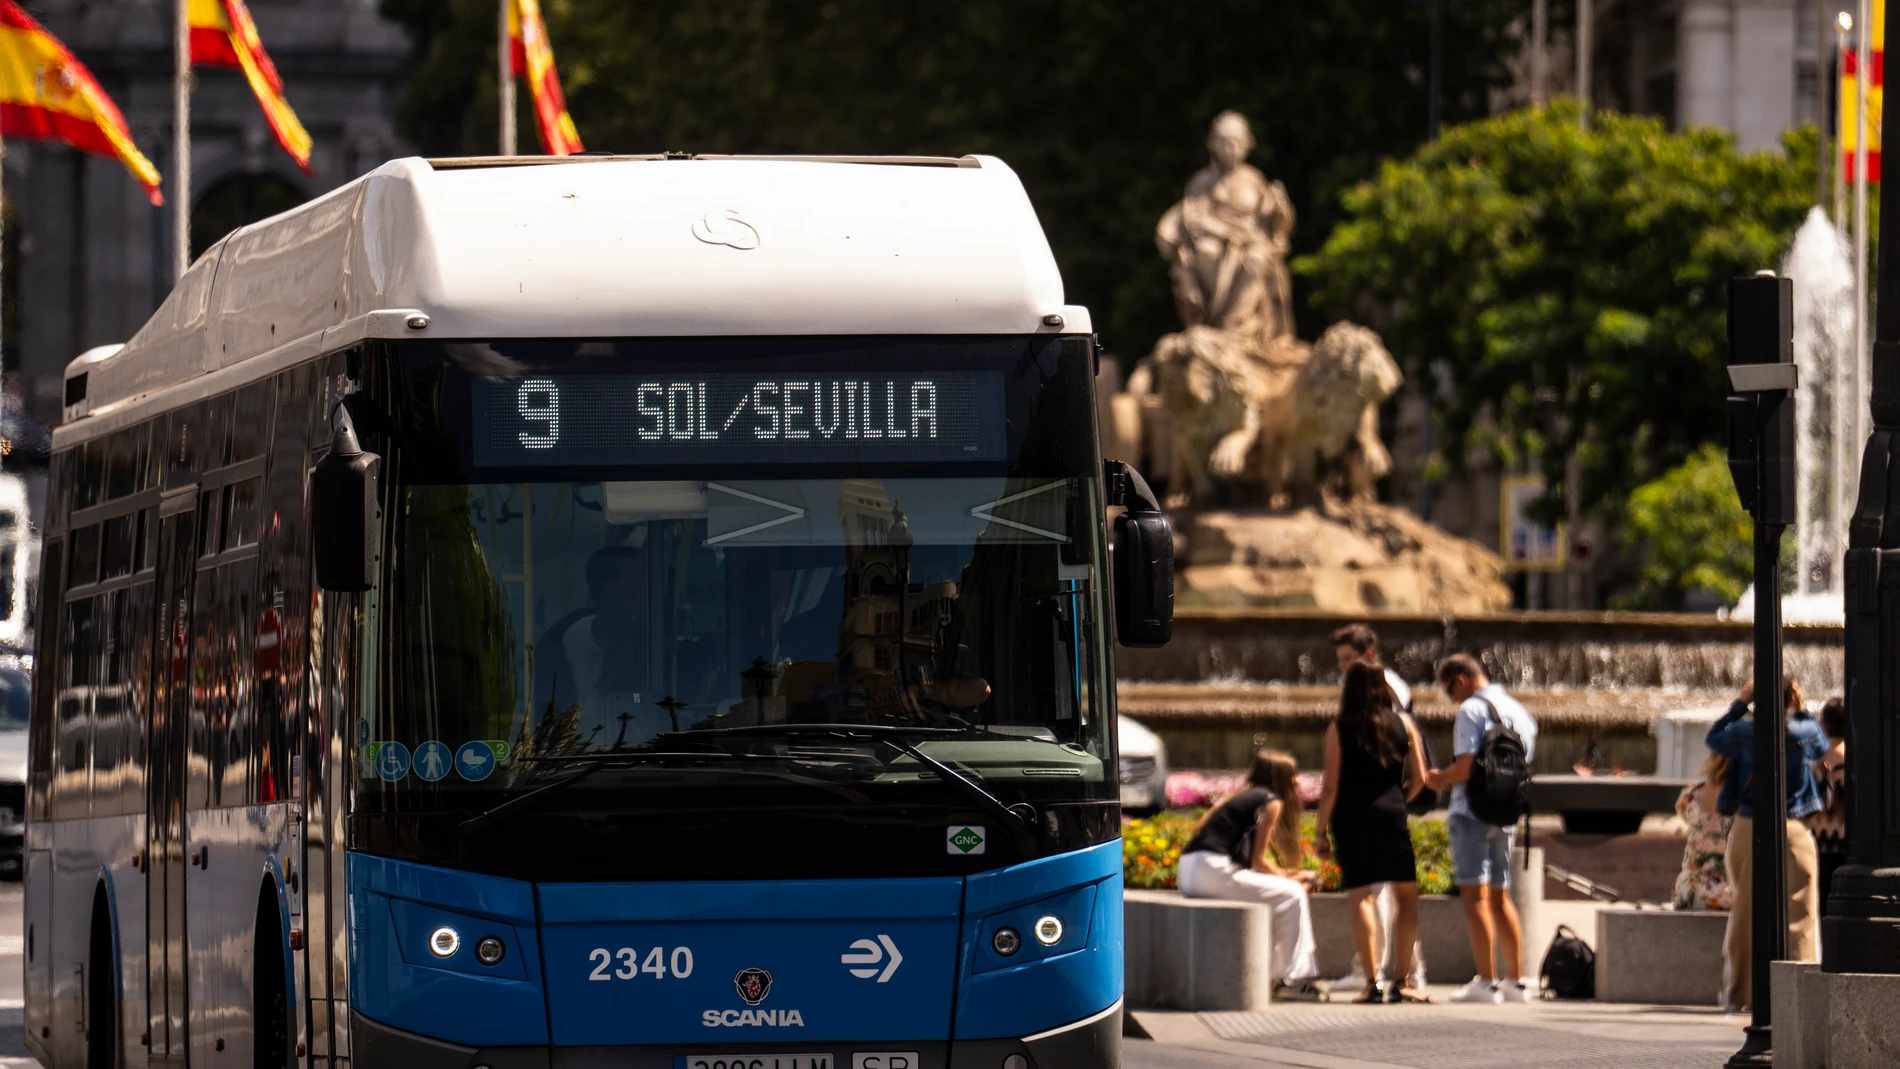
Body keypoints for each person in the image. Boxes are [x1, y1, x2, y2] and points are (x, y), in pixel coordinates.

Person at [1705, 678, 1828, 1013]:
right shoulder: (1801, 732)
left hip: (1749, 825)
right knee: (1800, 912)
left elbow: (1713, 737)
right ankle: (1802, 999)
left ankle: (1742, 996)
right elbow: (1821, 747)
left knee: (1745, 911)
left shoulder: (1742, 732)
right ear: (1792, 698)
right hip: (1793, 828)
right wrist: (1801, 708)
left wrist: (1741, 702)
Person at [1423, 653, 1539, 1004]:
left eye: (1448, 691)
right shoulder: (1520, 711)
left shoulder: (1471, 710)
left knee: (1476, 898)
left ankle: (1486, 982)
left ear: (1460, 680)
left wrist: (1436, 779)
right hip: (1506, 813)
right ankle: (1515, 982)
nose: (1451, 700)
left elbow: (1465, 767)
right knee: (1502, 897)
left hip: (1470, 811)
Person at [1315, 662, 1433, 1003]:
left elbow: (1331, 787)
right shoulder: (1405, 723)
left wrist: (1321, 831)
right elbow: (1421, 779)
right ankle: (1403, 981)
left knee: (1362, 896)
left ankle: (1372, 982)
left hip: (1352, 819)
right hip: (1393, 817)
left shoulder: (1339, 728)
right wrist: (1398, 800)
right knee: (1407, 898)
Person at [1178, 749, 1326, 1001]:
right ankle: (1291, 979)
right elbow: (1259, 862)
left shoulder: (1244, 796)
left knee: (1282, 896)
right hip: (1213, 870)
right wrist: (1293, 879)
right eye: (1293, 774)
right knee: (1292, 894)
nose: (1297, 781)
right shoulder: (1271, 801)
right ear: (1281, 777)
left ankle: (1275, 977)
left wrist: (1289, 875)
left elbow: (1251, 866)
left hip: (1192, 871)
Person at [536, 545, 651, 745]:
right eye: (634, 579)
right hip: (586, 747)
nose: (644, 586)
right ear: (608, 586)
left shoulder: (641, 629)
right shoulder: (580, 631)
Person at [1671, 752, 1734, 911]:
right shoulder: (1743, 801)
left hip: (1688, 887)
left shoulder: (1691, 795)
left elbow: (1688, 817)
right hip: (1725, 892)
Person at [1811, 698, 1848, 910]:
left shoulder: (1812, 763)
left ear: (1823, 725)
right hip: (1848, 851)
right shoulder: (1855, 762)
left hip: (1817, 848)